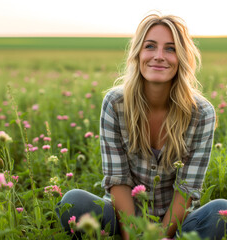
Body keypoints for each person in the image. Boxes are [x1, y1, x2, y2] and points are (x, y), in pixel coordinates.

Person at [56, 13, 227, 239]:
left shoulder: (201, 113)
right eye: (150, 46)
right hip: (121, 219)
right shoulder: (115, 104)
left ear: (182, 57)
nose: (159, 56)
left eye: (170, 49)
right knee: (74, 201)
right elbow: (118, 181)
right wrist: (133, 235)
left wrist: (163, 236)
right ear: (138, 53)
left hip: (177, 225)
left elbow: (186, 190)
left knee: (221, 211)